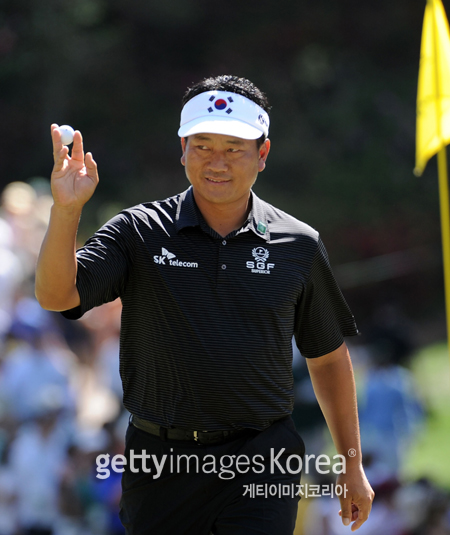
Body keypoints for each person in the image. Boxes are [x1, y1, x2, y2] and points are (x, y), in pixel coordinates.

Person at [35, 75, 374, 535]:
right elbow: (57, 296)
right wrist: (66, 209)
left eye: (234, 148)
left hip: (262, 458)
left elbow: (329, 358)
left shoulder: (298, 244)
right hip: (159, 461)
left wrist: (351, 464)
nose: (217, 162)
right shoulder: (138, 231)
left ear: (263, 154)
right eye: (203, 145)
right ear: (183, 148)